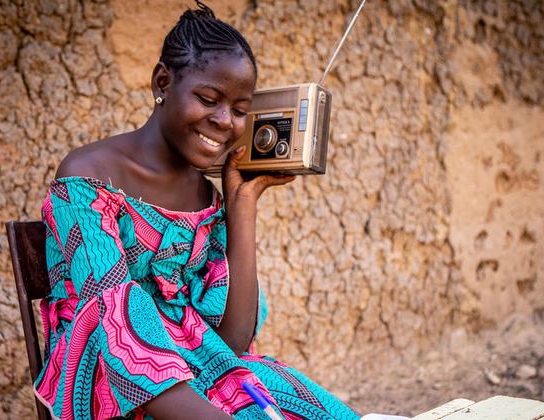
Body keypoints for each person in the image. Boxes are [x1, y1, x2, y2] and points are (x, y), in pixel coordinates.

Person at [34, 2, 359, 419]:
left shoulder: (204, 197)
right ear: (163, 81)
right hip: (116, 391)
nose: (226, 121)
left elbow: (232, 343)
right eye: (209, 99)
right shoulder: (87, 178)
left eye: (241, 111)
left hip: (204, 375)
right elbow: (116, 333)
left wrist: (241, 205)